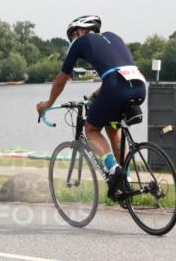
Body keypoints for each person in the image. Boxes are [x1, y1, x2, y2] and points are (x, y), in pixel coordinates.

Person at [35, 15, 146, 200]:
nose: (73, 41)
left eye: (72, 37)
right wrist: (97, 94)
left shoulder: (81, 42)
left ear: (79, 31)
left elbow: (61, 80)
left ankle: (114, 169)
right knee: (113, 127)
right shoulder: (114, 37)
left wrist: (48, 103)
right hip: (140, 85)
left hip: (114, 88)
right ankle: (126, 180)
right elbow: (118, 70)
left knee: (91, 129)